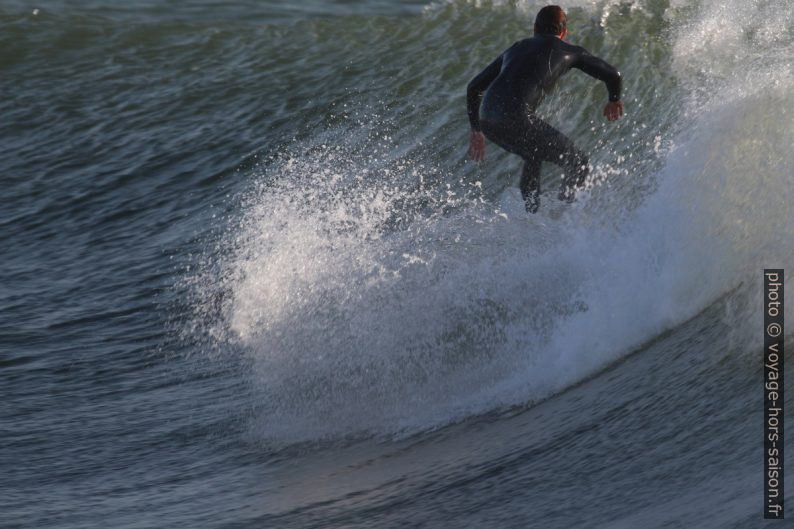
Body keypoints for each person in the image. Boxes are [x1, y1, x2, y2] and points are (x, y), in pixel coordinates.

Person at [466, 5, 624, 213]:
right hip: (517, 117)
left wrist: (476, 129)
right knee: (579, 162)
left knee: (533, 153)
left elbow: (474, 87)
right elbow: (613, 75)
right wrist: (614, 100)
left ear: (534, 28)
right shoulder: (570, 51)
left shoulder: (517, 47)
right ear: (564, 32)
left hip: (487, 116)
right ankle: (564, 217)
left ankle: (531, 214)